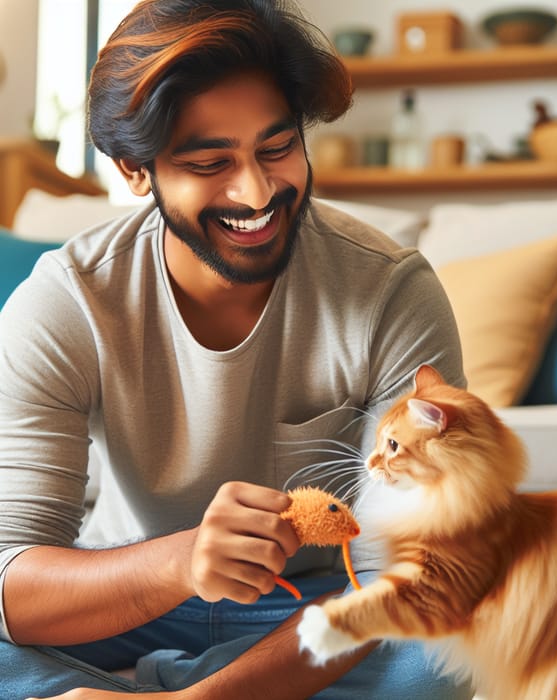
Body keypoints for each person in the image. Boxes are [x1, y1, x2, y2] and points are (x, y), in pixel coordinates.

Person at [0, 1, 469, 698]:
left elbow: (404, 576)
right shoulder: (65, 301)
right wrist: (183, 563)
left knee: (440, 651)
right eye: (210, 161)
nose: (256, 191)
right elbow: (13, 580)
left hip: (306, 610)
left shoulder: (390, 291)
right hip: (127, 595)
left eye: (276, 148)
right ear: (135, 169)